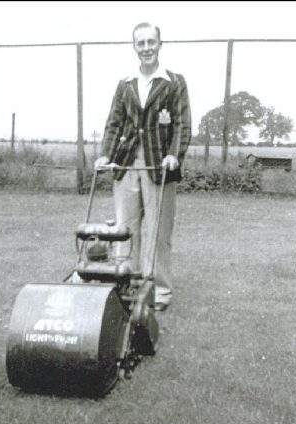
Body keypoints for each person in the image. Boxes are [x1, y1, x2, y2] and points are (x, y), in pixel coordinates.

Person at [95, 22, 191, 311]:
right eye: (141, 43)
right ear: (134, 47)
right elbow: (113, 123)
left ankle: (159, 291)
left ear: (160, 44)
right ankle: (124, 287)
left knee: (159, 233)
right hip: (126, 166)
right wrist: (104, 155)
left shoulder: (174, 82)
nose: (147, 47)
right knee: (125, 229)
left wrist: (174, 155)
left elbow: (183, 124)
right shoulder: (125, 84)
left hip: (159, 167)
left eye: (152, 42)